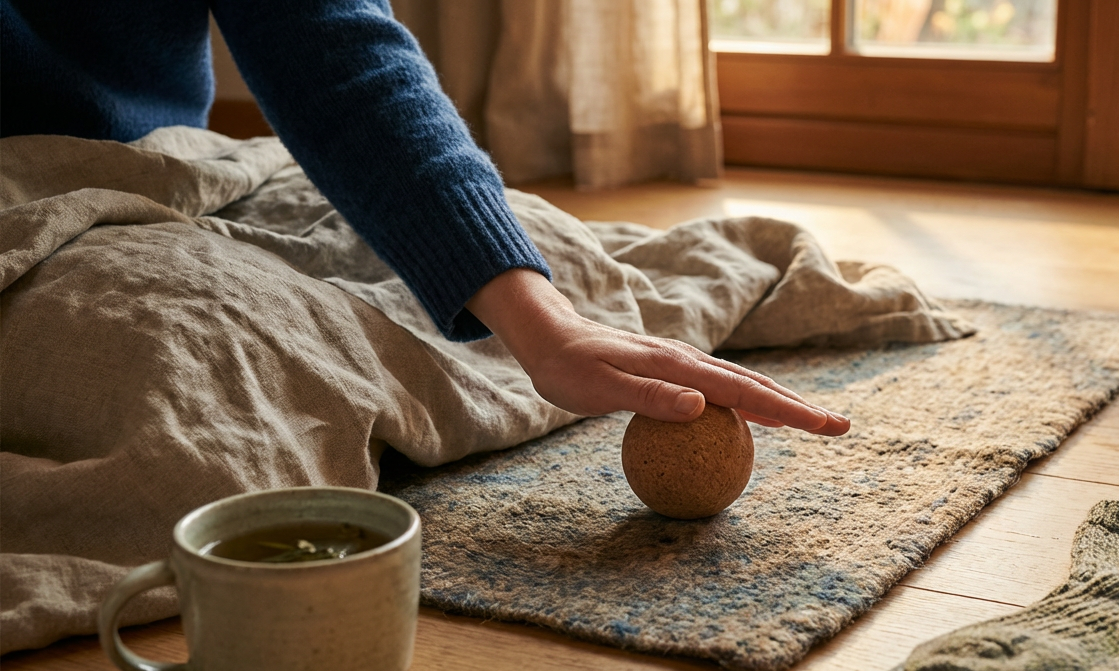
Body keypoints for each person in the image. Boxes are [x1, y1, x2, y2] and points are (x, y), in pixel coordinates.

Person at [1, 0, 849, 436]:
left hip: (158, 163)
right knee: (179, 377)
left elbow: (338, 52)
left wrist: (548, 330)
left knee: (557, 257)